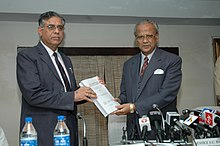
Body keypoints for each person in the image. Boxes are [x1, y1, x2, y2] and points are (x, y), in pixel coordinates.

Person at [16, 11, 97, 146]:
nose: (57, 31)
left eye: (60, 28)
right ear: (40, 31)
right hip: (43, 133)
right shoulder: (27, 56)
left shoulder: (65, 59)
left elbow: (68, 92)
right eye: (51, 27)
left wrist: (90, 89)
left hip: (68, 131)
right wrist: (72, 96)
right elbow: (33, 94)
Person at [113, 19, 182, 140]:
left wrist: (134, 107)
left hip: (161, 128)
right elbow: (125, 93)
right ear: (136, 40)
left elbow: (166, 94)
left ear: (157, 37)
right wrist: (117, 101)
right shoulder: (129, 64)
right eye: (140, 37)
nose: (145, 41)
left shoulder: (172, 60)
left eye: (149, 36)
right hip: (134, 128)